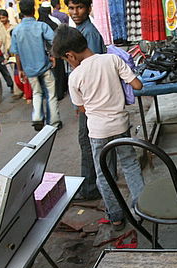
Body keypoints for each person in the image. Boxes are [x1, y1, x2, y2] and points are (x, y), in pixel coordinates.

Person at [52, 25, 144, 230]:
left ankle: (116, 216)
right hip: (121, 125)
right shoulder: (112, 59)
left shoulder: (75, 77)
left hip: (97, 132)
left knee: (104, 173)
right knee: (129, 164)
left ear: (71, 55)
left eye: (66, 60)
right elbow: (137, 85)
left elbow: (82, 107)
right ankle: (142, 208)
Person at [65, 0, 107, 200]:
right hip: (91, 98)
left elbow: (89, 70)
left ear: (89, 8)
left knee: (88, 141)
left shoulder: (87, 33)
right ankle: (97, 185)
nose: (75, 12)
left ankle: (91, 188)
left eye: (79, 7)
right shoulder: (80, 30)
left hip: (91, 99)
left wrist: (81, 103)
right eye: (71, 8)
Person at [10, 0, 61, 131]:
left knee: (37, 93)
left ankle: (37, 117)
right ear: (34, 10)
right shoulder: (41, 26)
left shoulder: (16, 31)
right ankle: (54, 122)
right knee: (51, 94)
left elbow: (16, 53)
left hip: (29, 69)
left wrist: (20, 70)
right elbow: (54, 41)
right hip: (44, 66)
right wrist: (53, 56)